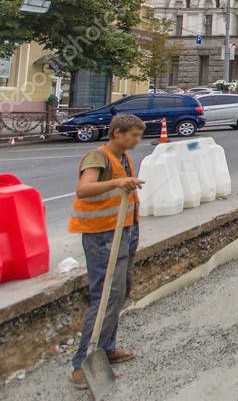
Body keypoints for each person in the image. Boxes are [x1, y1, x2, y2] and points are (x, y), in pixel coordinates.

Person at [69, 115, 146, 389]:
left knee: (120, 292)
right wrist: (116, 184)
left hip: (123, 230)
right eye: (133, 135)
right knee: (104, 295)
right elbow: (84, 189)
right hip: (102, 235)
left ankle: (107, 348)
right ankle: (82, 363)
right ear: (116, 133)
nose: (137, 140)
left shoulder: (123, 156)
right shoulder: (97, 157)